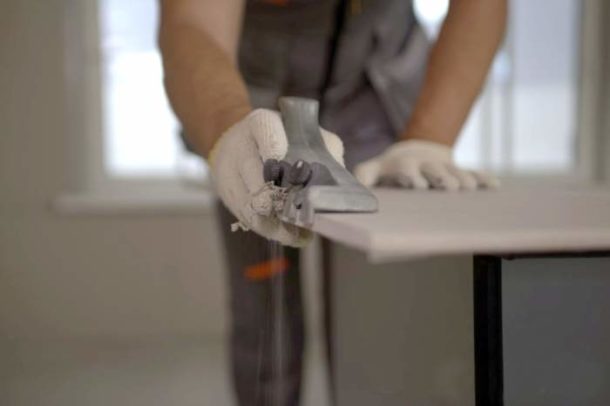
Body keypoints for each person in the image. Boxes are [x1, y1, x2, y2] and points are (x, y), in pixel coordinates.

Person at [159, 0, 506, 404]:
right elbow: (192, 24)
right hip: (246, 104)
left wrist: (428, 139)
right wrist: (228, 132)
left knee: (374, 314)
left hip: (374, 99)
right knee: (263, 311)